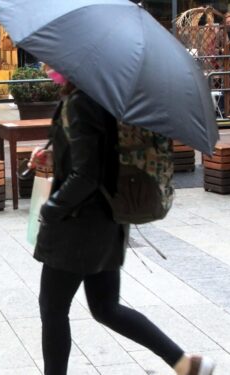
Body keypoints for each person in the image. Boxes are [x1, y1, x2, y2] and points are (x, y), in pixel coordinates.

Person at [30, 67, 215, 375]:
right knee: (106, 308)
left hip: (78, 226)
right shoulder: (104, 97)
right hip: (107, 221)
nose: (50, 68)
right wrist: (53, 157)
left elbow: (87, 174)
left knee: (52, 309)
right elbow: (98, 158)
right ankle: (184, 363)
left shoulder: (81, 101)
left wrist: (51, 208)